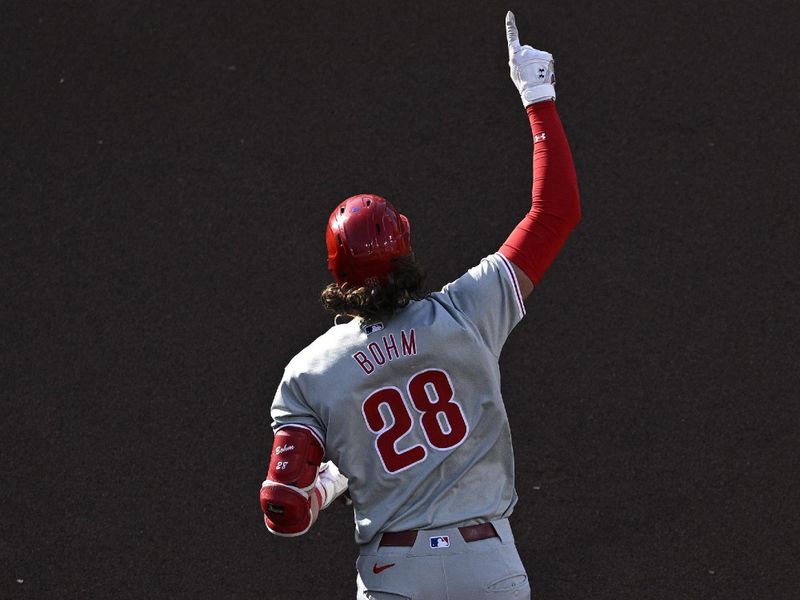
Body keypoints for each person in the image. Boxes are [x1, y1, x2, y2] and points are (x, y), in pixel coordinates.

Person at [259, 12, 581, 600]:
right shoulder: (468, 311)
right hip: (489, 566)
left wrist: (331, 482)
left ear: (337, 271)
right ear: (405, 249)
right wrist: (538, 95)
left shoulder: (309, 373)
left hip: (394, 575)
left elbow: (284, 508)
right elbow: (555, 211)